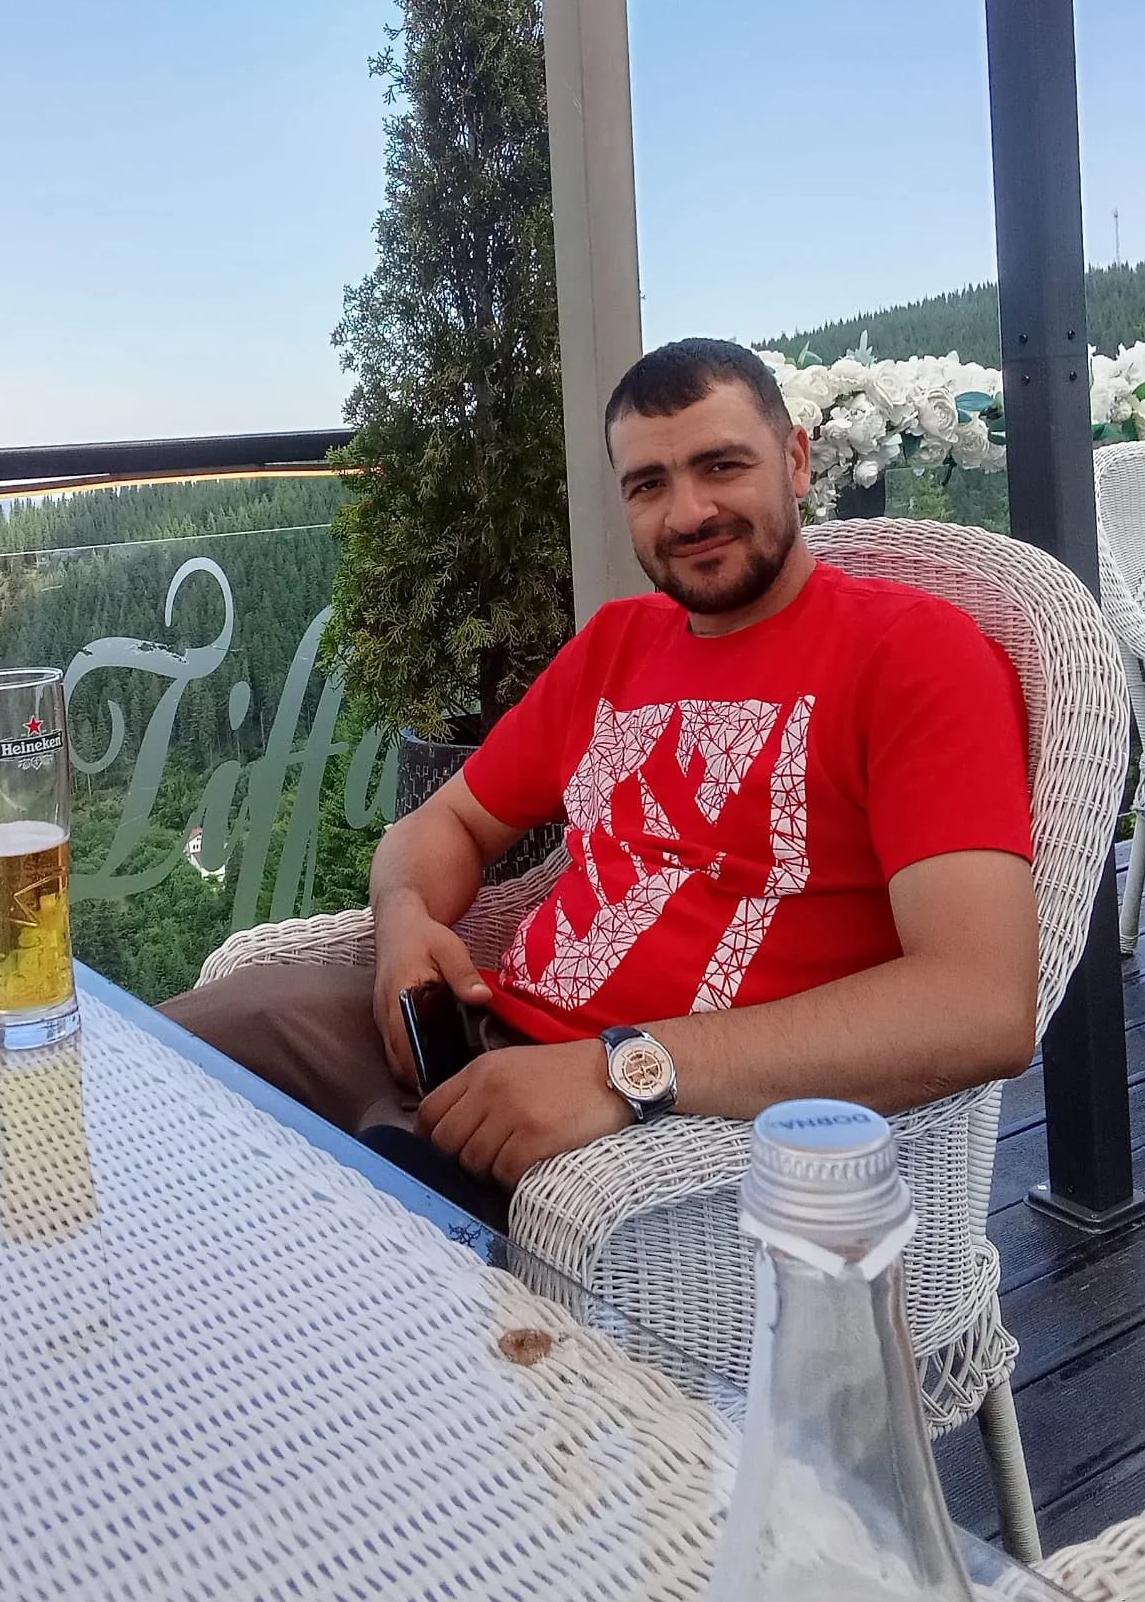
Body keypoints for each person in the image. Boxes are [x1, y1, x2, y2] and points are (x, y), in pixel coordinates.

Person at [162, 338, 1038, 1220]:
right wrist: (403, 920)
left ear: (796, 461)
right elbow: (445, 824)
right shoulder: (617, 645)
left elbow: (979, 1004)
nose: (688, 512)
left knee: (299, 1231)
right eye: (648, 484)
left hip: (637, 1139)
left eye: (722, 465)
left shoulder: (916, 656)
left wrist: (620, 1070)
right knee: (158, 1059)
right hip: (474, 1039)